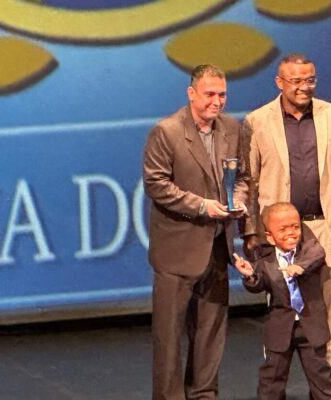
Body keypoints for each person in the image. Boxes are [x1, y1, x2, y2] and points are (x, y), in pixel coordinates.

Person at [242, 53, 331, 365]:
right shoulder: (257, 121)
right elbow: (248, 181)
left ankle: (323, 386)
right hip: (278, 236)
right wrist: (250, 231)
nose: (304, 87)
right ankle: (275, 385)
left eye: (310, 80)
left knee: (323, 314)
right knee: (281, 314)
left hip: (324, 228)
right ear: (280, 82)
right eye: (296, 81)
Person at [143, 64, 248, 400]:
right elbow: (156, 184)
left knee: (210, 331)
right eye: (210, 95)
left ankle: (204, 394)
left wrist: (238, 201)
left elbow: (243, 177)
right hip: (177, 250)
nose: (217, 102)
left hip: (217, 246)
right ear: (191, 94)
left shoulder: (232, 129)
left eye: (222, 95)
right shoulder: (167, 131)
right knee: (170, 336)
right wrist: (203, 206)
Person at [234, 202, 331, 399]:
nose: (291, 233)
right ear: (270, 237)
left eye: (295, 227)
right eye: (283, 229)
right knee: (271, 380)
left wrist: (300, 267)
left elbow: (318, 255)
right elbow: (258, 285)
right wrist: (249, 276)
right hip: (281, 329)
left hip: (310, 327)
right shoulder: (266, 261)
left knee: (321, 379)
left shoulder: (309, 249)